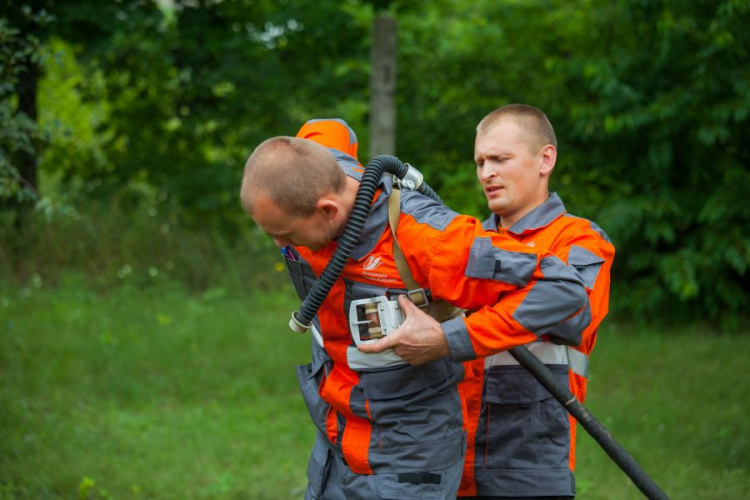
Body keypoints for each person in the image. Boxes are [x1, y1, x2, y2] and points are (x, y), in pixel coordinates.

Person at [239, 118, 590, 499]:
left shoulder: (429, 240)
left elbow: (562, 289)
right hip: (336, 444)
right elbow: (329, 127)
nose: (281, 246)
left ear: (327, 210)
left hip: (407, 459)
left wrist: (447, 338)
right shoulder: (319, 161)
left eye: (287, 235)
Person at [362, 105, 615, 499]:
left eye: (500, 159)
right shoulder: (465, 246)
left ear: (545, 159)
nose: (486, 173)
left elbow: (570, 314)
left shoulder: (579, 241)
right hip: (448, 452)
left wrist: (449, 338)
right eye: (480, 161)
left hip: (530, 455)